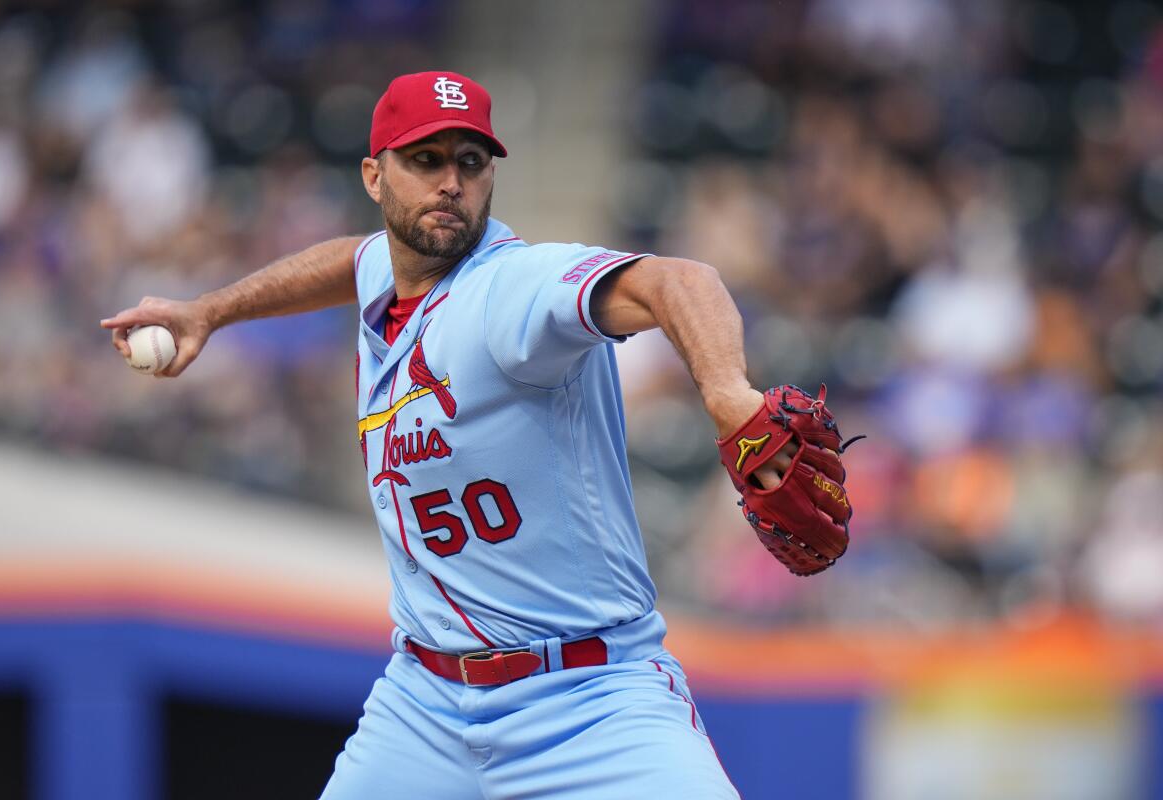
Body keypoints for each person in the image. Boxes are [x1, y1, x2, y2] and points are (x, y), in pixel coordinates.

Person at [101, 71, 821, 799]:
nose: (450, 182)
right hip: (424, 704)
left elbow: (681, 282)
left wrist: (730, 396)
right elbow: (351, 260)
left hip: (588, 701)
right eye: (426, 160)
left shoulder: (512, 292)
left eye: (469, 162)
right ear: (374, 177)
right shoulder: (392, 268)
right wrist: (211, 312)